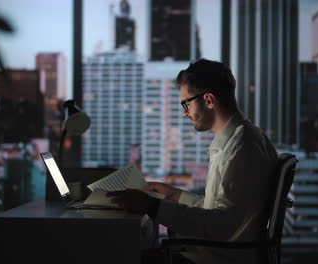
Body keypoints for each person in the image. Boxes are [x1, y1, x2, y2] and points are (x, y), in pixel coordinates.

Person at [107, 59, 278, 264]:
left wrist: (152, 205)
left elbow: (220, 225)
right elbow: (218, 211)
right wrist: (175, 195)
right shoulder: (241, 139)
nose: (185, 112)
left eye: (186, 103)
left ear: (208, 100)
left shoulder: (242, 147)